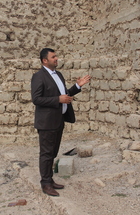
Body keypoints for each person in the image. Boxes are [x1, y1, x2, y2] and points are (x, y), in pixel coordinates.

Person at [31, 48, 91, 196]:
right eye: (53, 57)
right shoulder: (39, 76)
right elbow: (36, 99)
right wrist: (58, 99)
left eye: (56, 56)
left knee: (53, 152)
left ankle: (49, 180)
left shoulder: (58, 75)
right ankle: (45, 184)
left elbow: (65, 95)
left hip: (58, 121)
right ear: (45, 60)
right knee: (46, 153)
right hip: (46, 123)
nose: (57, 59)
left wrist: (77, 86)